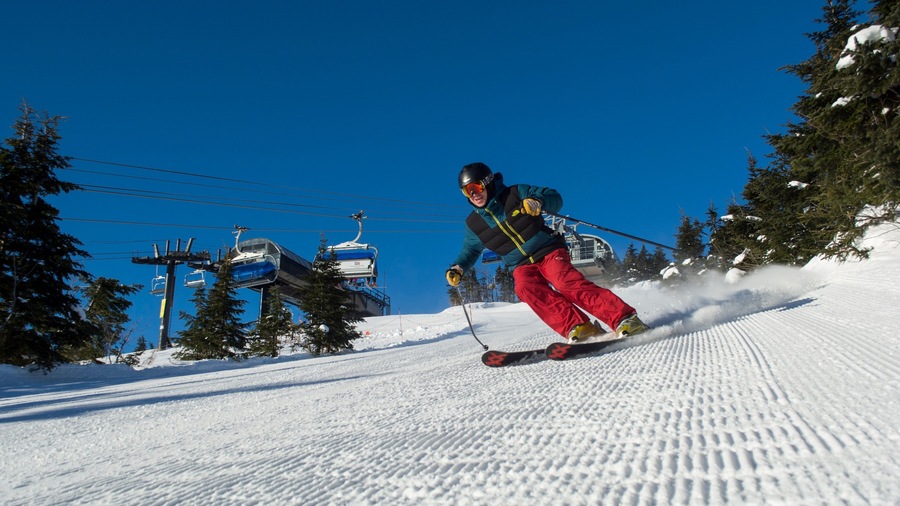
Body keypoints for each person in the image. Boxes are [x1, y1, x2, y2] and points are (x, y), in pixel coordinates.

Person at [445, 162, 648, 342]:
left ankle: (624, 318)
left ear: (488, 182)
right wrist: (458, 267)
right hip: (520, 264)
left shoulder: (515, 193)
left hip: (548, 250)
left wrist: (537, 201)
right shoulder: (474, 223)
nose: (473, 194)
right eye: (466, 191)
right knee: (525, 288)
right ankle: (578, 326)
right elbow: (470, 250)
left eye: (475, 187)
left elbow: (554, 197)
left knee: (564, 281)